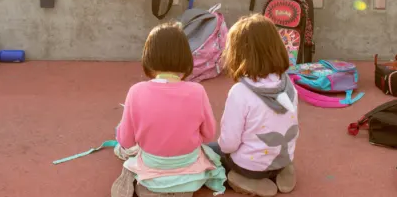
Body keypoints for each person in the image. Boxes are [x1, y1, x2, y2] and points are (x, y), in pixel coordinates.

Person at [111, 22, 226, 197]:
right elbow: (209, 135)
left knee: (123, 146)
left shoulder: (136, 91)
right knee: (208, 152)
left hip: (151, 167)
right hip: (189, 173)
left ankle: (139, 180)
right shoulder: (197, 91)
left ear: (148, 57)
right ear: (186, 57)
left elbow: (126, 140)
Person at [212, 14, 299, 196]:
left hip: (250, 166)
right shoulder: (288, 85)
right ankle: (282, 172)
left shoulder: (240, 92)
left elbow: (229, 144)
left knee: (209, 152)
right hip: (282, 158)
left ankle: (244, 179)